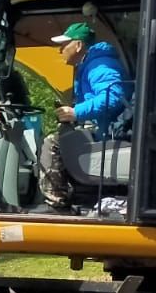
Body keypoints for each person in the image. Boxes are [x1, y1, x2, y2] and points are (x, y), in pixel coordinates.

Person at [39, 22, 131, 209]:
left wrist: (76, 112)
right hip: (105, 129)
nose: (60, 50)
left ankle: (56, 203)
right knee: (64, 134)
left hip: (108, 133)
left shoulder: (99, 66)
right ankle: (76, 195)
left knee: (52, 142)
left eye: (64, 45)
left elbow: (113, 98)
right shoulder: (92, 64)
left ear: (78, 45)